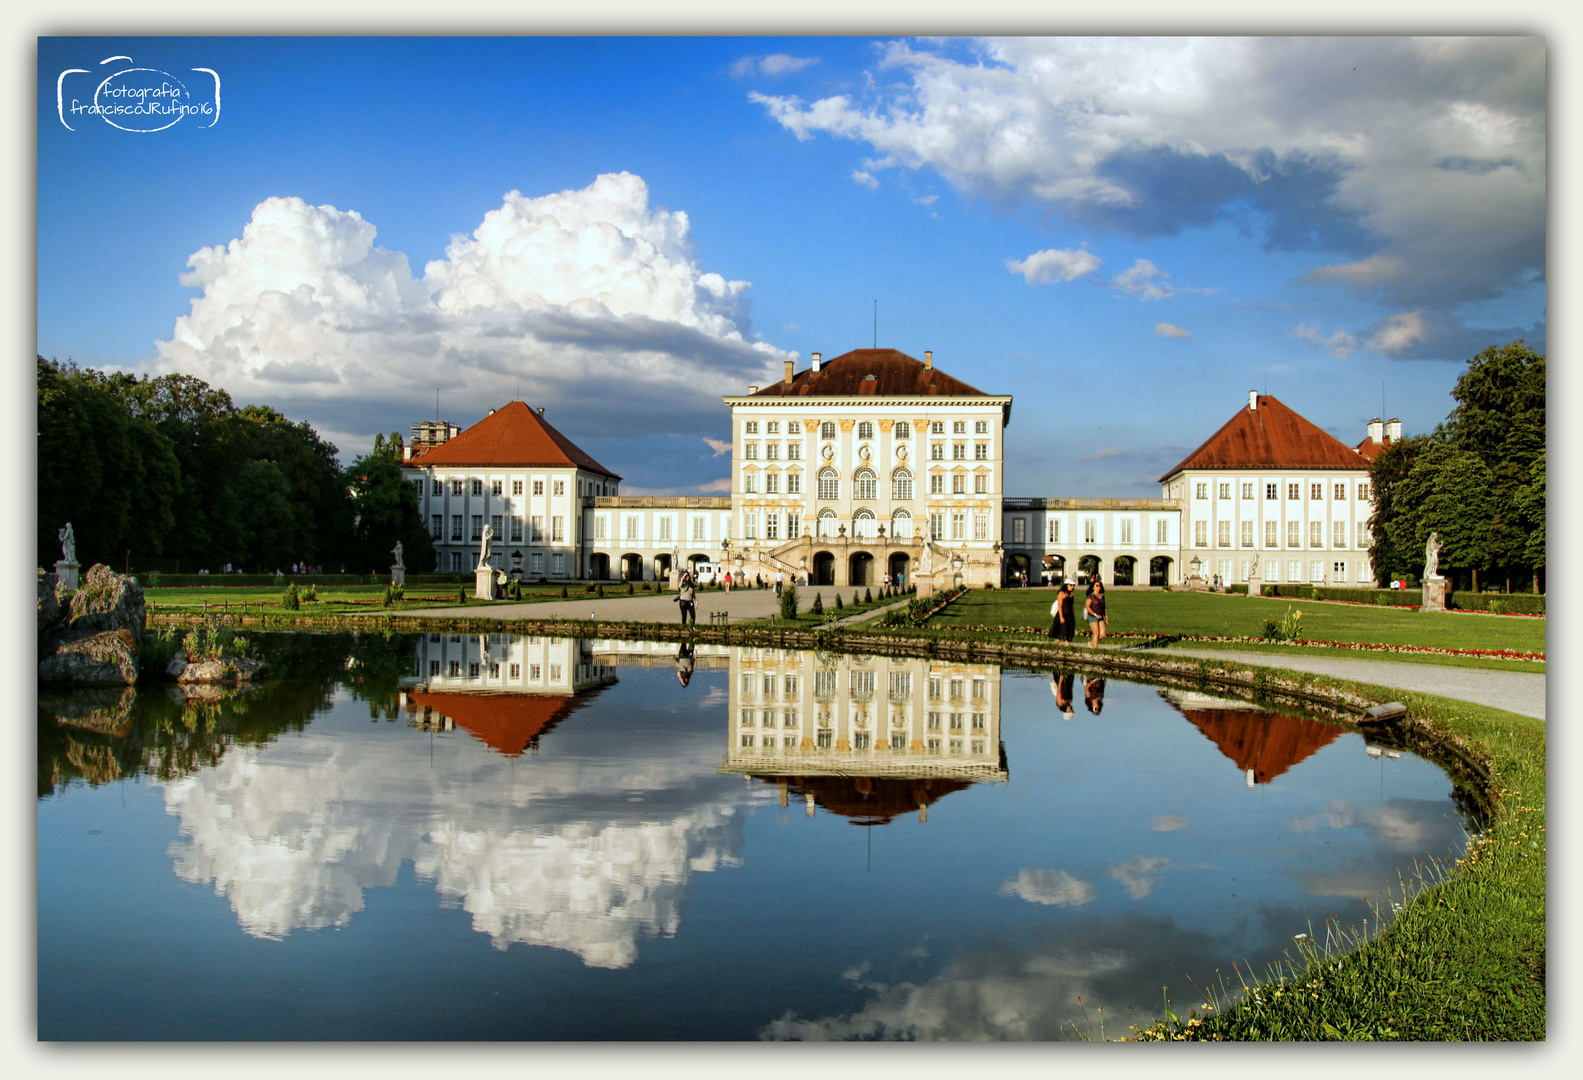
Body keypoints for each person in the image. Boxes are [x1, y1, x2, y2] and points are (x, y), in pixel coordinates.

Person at [1084, 580, 1108, 648]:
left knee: (1103, 634)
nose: (1098, 587)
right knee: (1096, 633)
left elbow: (1104, 607)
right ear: (1093, 587)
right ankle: (1095, 649)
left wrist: (1106, 616)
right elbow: (1087, 607)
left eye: (1099, 585)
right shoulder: (1091, 596)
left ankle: (1092, 643)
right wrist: (1095, 614)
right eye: (1096, 585)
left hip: (1100, 616)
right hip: (1092, 616)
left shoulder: (1102, 596)